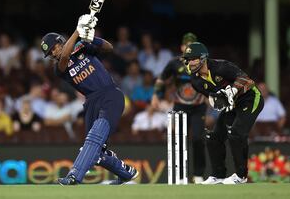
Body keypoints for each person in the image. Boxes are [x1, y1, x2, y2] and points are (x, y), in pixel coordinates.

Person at [40, 14, 138, 185]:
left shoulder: (82, 47)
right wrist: (78, 31)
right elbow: (64, 58)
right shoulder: (59, 68)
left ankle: (73, 176)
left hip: (110, 95)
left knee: (94, 138)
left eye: (54, 48)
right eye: (50, 53)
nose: (53, 54)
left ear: (60, 41)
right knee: (95, 150)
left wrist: (91, 37)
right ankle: (126, 173)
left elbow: (109, 48)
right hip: (91, 102)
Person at [182, 42, 264, 184]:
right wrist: (221, 101)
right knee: (213, 137)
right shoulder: (195, 81)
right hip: (232, 105)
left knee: (236, 133)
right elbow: (215, 99)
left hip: (250, 98)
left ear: (203, 58)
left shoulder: (221, 66)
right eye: (188, 60)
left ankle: (241, 176)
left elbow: (248, 81)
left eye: (193, 58)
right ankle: (218, 175)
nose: (190, 62)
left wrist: (233, 90)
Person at [151, 32, 207, 183]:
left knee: (197, 139)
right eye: (186, 45)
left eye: (192, 46)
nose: (188, 48)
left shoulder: (204, 63)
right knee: (179, 140)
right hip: (180, 106)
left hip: (198, 106)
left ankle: (198, 174)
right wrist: (156, 95)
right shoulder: (175, 63)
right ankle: (181, 176)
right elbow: (161, 79)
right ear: (182, 47)